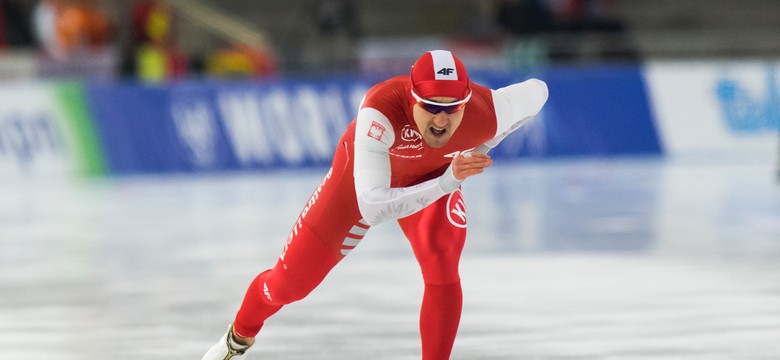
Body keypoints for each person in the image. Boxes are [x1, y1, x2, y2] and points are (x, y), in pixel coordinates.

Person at [202, 49, 548, 360]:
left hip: (432, 177)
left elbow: (538, 91)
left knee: (441, 255)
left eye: (452, 110)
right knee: (287, 286)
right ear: (412, 98)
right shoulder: (379, 110)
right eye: (431, 108)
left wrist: (484, 145)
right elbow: (372, 207)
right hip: (359, 187)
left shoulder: (486, 111)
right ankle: (236, 341)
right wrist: (448, 181)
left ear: (466, 101)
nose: (441, 121)